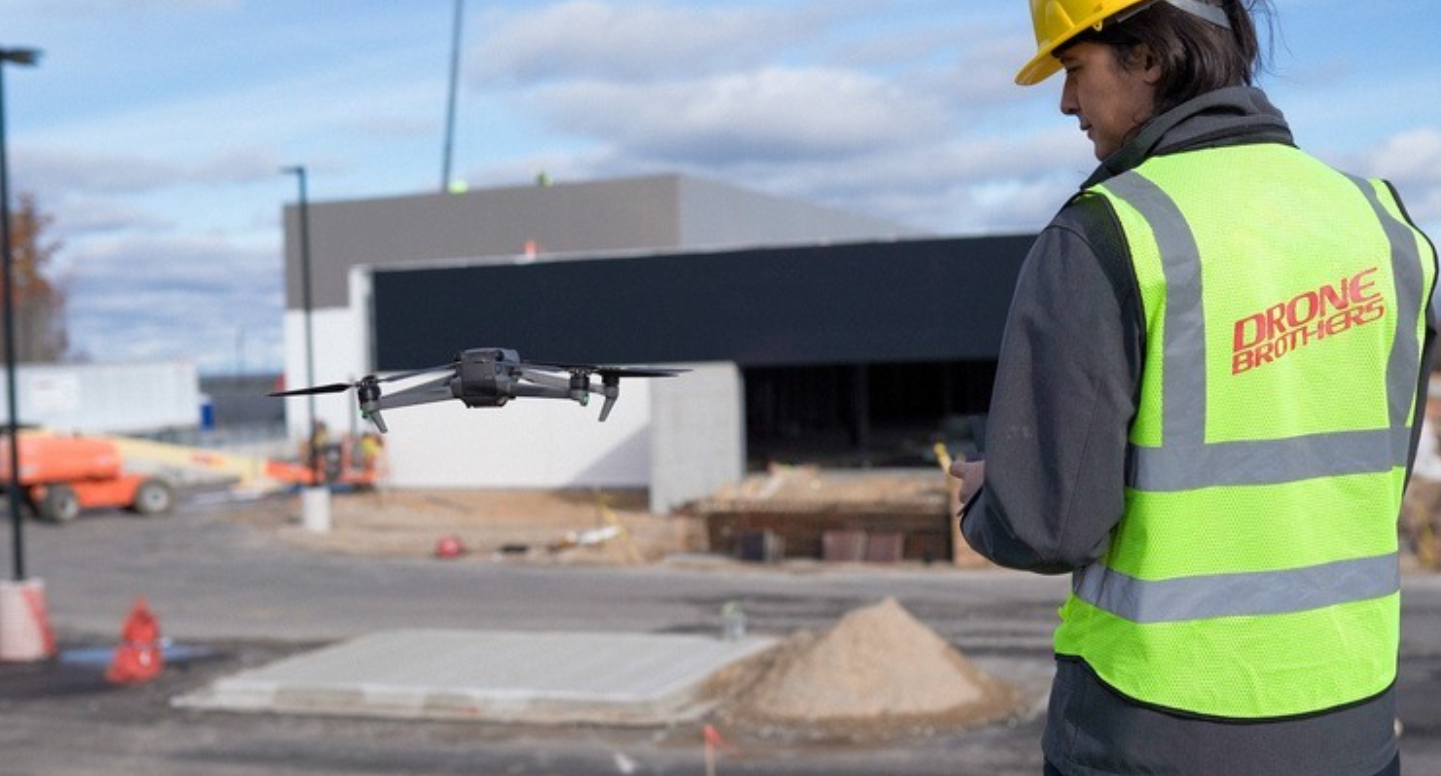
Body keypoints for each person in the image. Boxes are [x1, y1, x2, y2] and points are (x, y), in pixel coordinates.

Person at [950, 1, 1439, 775]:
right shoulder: (1385, 228)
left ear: (1147, 57)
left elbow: (1048, 524)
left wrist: (988, 494)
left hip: (1151, 730)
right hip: (1352, 719)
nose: (1066, 103)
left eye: (1074, 69)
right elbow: (1370, 470)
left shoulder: (1107, 231)